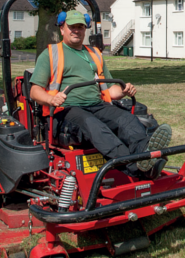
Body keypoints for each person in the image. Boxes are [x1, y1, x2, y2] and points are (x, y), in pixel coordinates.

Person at [28, 10, 172, 177]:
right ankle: (135, 168)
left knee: (128, 119)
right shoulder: (50, 54)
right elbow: (34, 91)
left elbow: (109, 90)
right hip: (65, 111)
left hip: (96, 105)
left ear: (85, 29)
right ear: (62, 29)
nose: (76, 30)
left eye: (80, 27)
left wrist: (124, 90)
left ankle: (147, 158)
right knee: (95, 126)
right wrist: (52, 99)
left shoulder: (94, 54)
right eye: (72, 27)